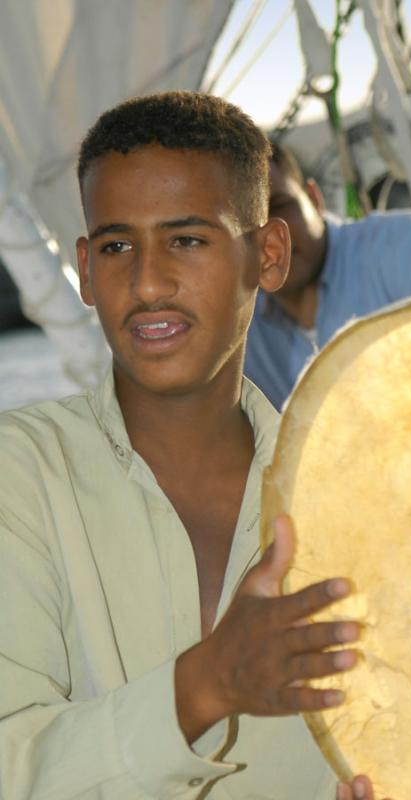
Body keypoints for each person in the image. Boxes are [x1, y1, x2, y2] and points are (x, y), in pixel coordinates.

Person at [0, 92, 390, 800]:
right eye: (117, 246)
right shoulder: (17, 475)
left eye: (187, 239)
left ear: (267, 255)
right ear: (85, 269)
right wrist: (207, 684)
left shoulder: (359, 501)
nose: (146, 283)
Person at [244, 142, 411, 409]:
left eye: (279, 207)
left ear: (314, 198)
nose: (271, 239)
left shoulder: (408, 246)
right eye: (245, 224)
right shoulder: (240, 330)